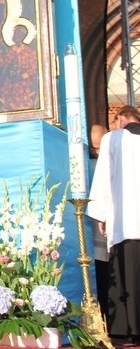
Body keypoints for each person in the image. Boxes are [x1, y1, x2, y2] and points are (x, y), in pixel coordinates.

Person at [87, 106, 140, 342]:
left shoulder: (113, 139)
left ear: (120, 119)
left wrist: (101, 214)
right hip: (127, 219)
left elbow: (104, 178)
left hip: (125, 220)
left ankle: (127, 331)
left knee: (125, 275)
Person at [89, 123, 110, 317]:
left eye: (99, 147)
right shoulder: (86, 165)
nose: (96, 151)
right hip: (94, 238)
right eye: (93, 147)